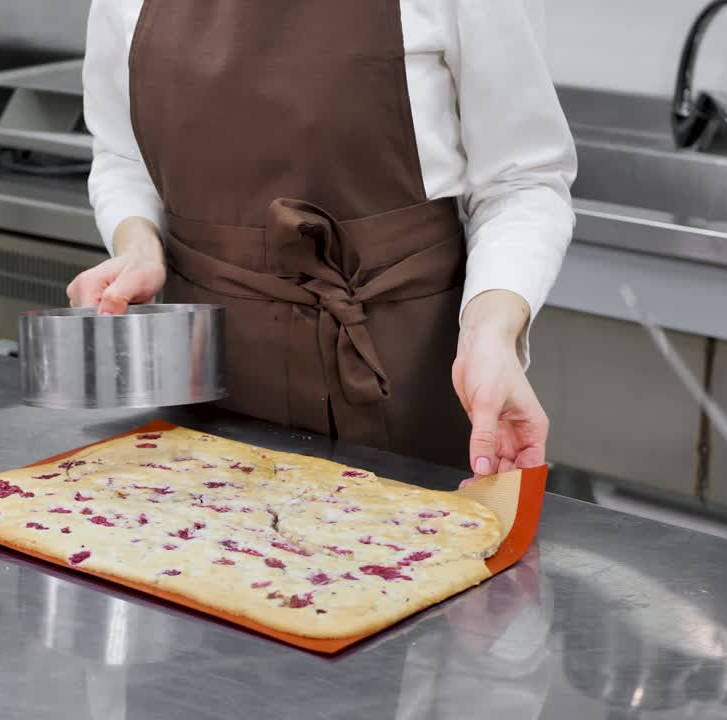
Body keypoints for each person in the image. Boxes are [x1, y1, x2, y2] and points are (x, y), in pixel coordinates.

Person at [69, 0, 576, 476]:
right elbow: (121, 153)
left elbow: (521, 180)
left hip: (403, 371)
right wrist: (138, 245)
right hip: (208, 377)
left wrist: (492, 329)